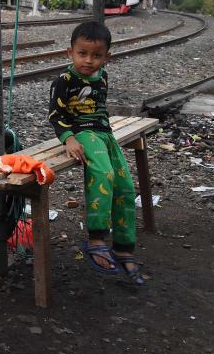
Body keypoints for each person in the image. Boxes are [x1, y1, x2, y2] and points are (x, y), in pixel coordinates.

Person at [47, 22, 145, 286]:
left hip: (105, 134)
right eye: (82, 53)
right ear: (70, 52)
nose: (88, 61)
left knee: (125, 186)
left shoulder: (102, 76)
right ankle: (97, 237)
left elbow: (100, 108)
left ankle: (124, 246)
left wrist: (107, 136)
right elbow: (56, 115)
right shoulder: (64, 81)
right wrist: (69, 139)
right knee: (104, 174)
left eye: (96, 55)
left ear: (106, 57)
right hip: (83, 133)